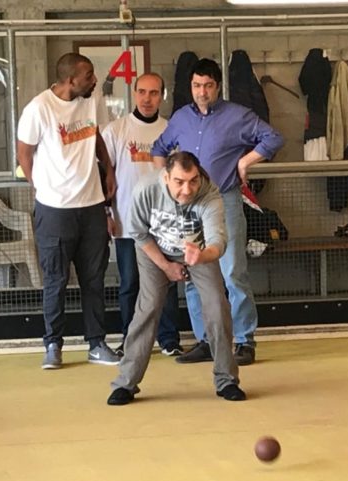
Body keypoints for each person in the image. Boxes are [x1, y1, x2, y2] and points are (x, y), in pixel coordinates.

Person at [152, 58, 284, 367]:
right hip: (189, 206)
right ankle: (206, 340)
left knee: (233, 271)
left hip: (224, 200)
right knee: (194, 275)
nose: (202, 92)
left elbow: (273, 137)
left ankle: (244, 341)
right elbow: (159, 149)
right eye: (196, 85)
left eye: (208, 86)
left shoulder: (238, 116)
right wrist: (167, 185)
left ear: (218, 86)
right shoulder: (181, 118)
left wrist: (245, 161)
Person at [107, 151, 245, 406]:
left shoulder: (209, 194)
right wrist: (166, 266)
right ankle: (125, 383)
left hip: (198, 251)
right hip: (154, 250)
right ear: (166, 177)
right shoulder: (146, 189)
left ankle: (226, 380)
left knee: (217, 305)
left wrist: (201, 256)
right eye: (179, 182)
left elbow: (218, 241)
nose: (187, 190)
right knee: (148, 307)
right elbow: (138, 232)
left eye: (193, 181)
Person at [17, 52, 120, 370]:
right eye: (89, 75)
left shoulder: (91, 99)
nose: (95, 80)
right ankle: (53, 345)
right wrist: (41, 187)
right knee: (56, 280)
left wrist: (109, 170)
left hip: (91, 207)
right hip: (55, 211)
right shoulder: (39, 108)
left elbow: (96, 135)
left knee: (94, 279)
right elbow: (24, 154)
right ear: (70, 79)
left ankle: (96, 344)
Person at [101, 73, 183, 358]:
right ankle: (131, 338)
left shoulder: (172, 130)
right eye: (143, 92)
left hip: (164, 222)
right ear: (134, 93)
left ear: (162, 96)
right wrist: (106, 212)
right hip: (127, 221)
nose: (147, 99)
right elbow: (104, 175)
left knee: (167, 280)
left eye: (154, 93)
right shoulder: (116, 130)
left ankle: (168, 338)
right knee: (130, 284)